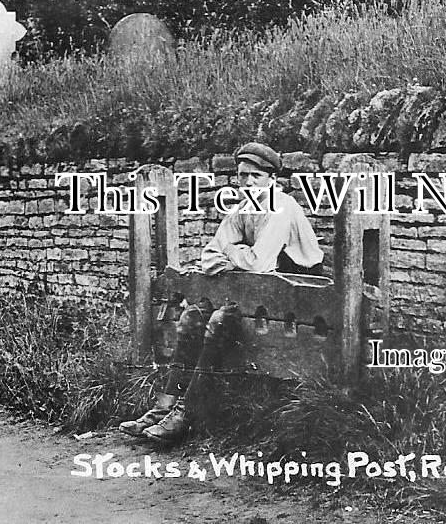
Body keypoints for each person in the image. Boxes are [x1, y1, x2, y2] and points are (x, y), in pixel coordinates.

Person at [119, 141, 325, 443]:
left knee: (218, 320)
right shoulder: (243, 208)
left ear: (272, 180)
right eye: (243, 176)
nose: (249, 182)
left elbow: (258, 264)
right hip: (253, 289)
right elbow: (208, 257)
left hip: (297, 300)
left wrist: (230, 251)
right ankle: (163, 407)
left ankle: (187, 413)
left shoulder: (281, 207)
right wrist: (235, 253)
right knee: (191, 317)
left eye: (256, 176)